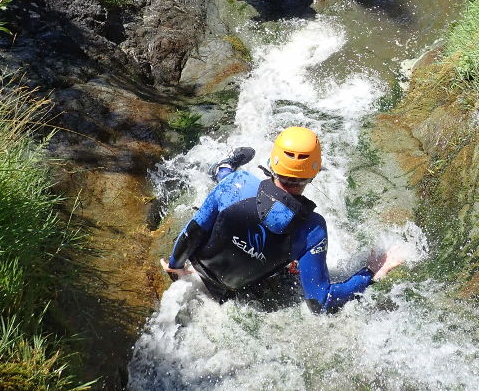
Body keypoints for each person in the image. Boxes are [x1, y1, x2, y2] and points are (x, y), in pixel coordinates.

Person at [162, 127, 405, 313]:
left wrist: (175, 265)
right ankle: (222, 167)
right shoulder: (313, 229)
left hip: (198, 266)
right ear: (315, 172)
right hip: (235, 290)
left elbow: (190, 234)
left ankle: (222, 168)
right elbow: (321, 303)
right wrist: (372, 272)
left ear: (273, 162)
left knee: (229, 183)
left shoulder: (238, 183)